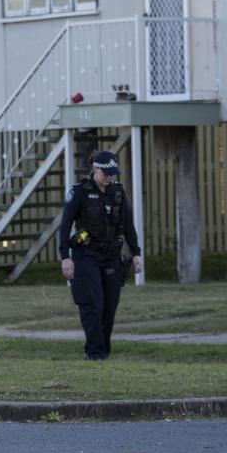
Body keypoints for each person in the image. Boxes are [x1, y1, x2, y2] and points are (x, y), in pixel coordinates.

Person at [58, 150, 144, 360]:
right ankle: (94, 352)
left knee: (109, 305)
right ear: (95, 169)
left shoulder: (117, 192)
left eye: (112, 173)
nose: (109, 177)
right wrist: (65, 257)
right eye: (106, 173)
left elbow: (128, 225)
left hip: (111, 256)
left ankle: (103, 350)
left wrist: (136, 253)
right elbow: (65, 225)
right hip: (86, 255)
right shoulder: (80, 192)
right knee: (93, 304)